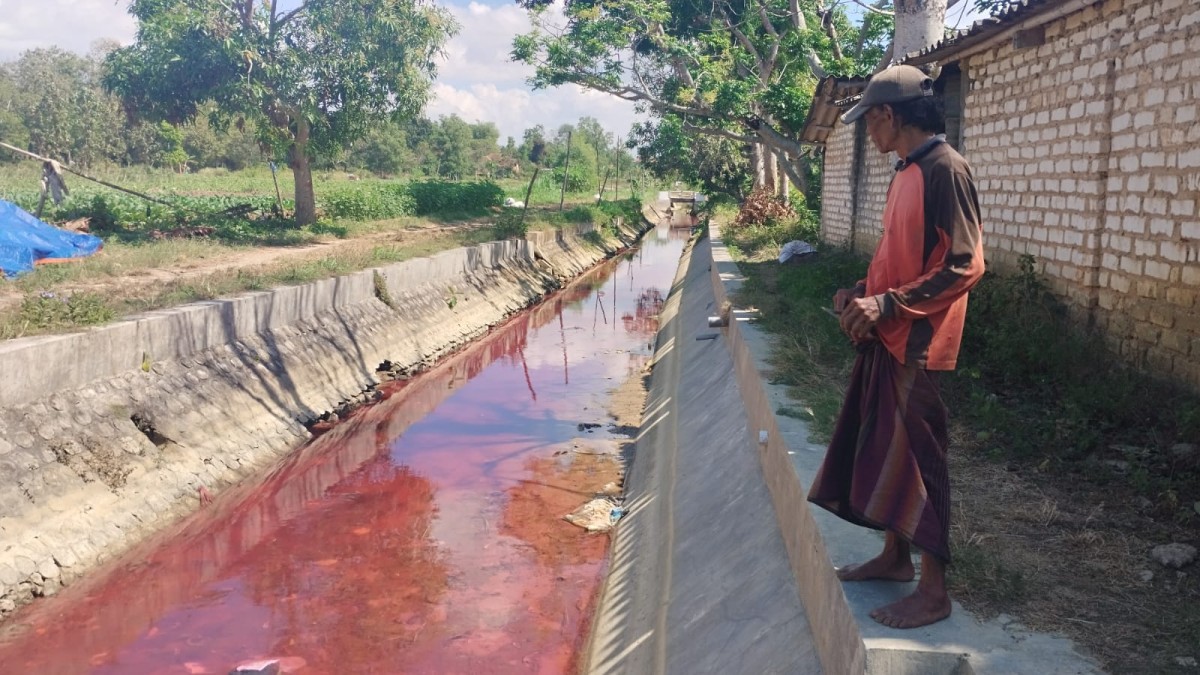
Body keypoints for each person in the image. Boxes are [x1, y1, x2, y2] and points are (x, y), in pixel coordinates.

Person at [806, 65, 985, 629]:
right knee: (882, 447)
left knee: (921, 461)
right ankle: (894, 558)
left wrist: (885, 306)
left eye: (869, 123)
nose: (867, 134)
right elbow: (899, 255)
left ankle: (934, 593)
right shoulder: (904, 170)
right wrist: (861, 293)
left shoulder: (945, 170)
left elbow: (964, 264)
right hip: (889, 335)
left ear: (889, 115)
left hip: (919, 344)